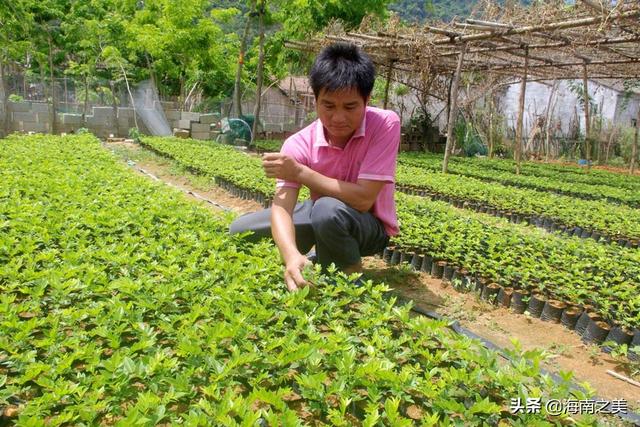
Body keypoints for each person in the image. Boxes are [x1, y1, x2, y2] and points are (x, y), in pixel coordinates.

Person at [230, 42, 400, 291]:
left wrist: (300, 172)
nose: (338, 117)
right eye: (328, 106)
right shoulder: (298, 143)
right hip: (321, 213)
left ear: (367, 100)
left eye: (350, 106)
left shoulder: (385, 124)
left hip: (368, 227)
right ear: (315, 100)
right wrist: (290, 256)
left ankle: (350, 277)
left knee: (326, 210)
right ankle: (314, 257)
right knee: (242, 230)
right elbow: (282, 206)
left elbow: (364, 200)